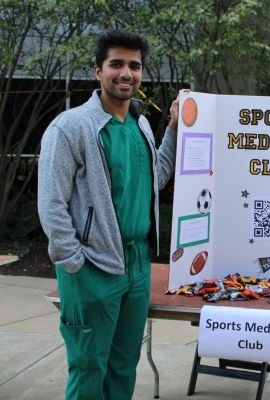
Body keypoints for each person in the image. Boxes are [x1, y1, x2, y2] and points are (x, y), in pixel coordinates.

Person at [38, 29, 179, 399]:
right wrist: (73, 262)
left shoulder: (140, 124)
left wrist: (176, 131)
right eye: (116, 64)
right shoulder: (70, 127)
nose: (126, 73)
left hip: (136, 265)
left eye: (134, 66)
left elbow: (157, 177)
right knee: (89, 370)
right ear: (97, 70)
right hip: (91, 268)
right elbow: (51, 204)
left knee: (123, 366)